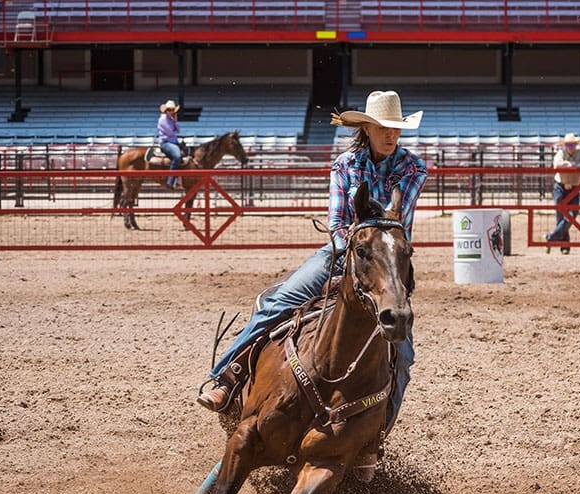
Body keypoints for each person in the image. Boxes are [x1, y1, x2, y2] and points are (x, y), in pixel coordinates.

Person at [197, 90, 427, 437]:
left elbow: (395, 223)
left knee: (403, 355)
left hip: (384, 263)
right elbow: (337, 223)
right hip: (341, 254)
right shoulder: (345, 165)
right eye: (383, 127)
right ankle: (226, 377)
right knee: (277, 302)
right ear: (367, 129)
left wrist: (370, 240)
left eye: (395, 128)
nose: (391, 134)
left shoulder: (413, 168)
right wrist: (351, 249)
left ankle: (375, 437)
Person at [545, 133, 580, 255]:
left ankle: (551, 237)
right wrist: (572, 165)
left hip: (574, 187)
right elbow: (556, 165)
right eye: (568, 144)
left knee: (571, 215)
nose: (571, 147)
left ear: (576, 145)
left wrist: (572, 165)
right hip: (561, 185)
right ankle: (565, 246)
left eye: (573, 144)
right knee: (562, 216)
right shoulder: (560, 153)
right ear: (565, 145)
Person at [158, 99, 183, 189]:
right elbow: (171, 132)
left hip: (173, 142)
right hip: (166, 142)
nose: (171, 111)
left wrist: (175, 121)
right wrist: (174, 127)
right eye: (169, 110)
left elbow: (178, 130)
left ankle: (178, 180)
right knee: (177, 156)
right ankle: (170, 180)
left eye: (172, 110)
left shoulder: (171, 119)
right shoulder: (162, 119)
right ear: (166, 110)